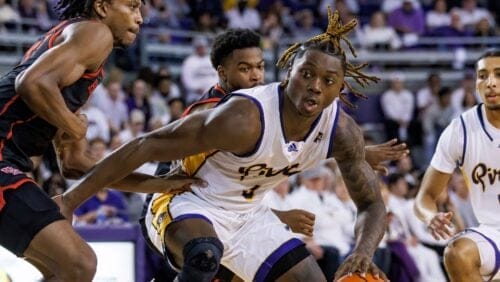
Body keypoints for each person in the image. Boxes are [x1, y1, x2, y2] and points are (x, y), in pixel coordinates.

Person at [62, 8, 389, 281]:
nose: (315, 87)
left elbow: (372, 204)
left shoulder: (342, 133)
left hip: (249, 215)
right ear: (289, 74)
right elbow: (146, 145)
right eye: (307, 74)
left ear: (339, 90)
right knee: (205, 255)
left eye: (328, 82)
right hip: (188, 201)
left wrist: (363, 251)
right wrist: (71, 199)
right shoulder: (242, 117)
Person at [0, 1, 198, 281]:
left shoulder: (73, 57)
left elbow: (75, 164)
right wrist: (75, 127)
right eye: (131, 6)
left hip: (9, 164)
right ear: (102, 7)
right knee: (78, 264)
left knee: (62, 270)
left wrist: (158, 184)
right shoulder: (95, 33)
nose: (140, 18)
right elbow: (32, 82)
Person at [414, 49, 500, 282]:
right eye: (483, 75)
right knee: (457, 252)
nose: (491, 82)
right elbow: (425, 197)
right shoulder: (460, 130)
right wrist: (431, 217)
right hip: (494, 232)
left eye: (499, 74)